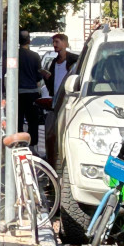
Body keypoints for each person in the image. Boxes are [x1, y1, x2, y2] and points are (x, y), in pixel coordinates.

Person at [42, 33, 79, 166]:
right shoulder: (54, 62)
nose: (55, 45)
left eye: (57, 42)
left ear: (65, 43)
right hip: (56, 101)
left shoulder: (74, 61)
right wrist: (47, 77)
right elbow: (52, 83)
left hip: (69, 101)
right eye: (53, 42)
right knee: (51, 135)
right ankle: (52, 162)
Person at [17, 30, 43, 152]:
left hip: (17, 93)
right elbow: (39, 76)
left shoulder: (14, 55)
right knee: (33, 121)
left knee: (18, 119)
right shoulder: (35, 56)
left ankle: (18, 143)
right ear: (29, 41)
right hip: (32, 93)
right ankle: (32, 146)